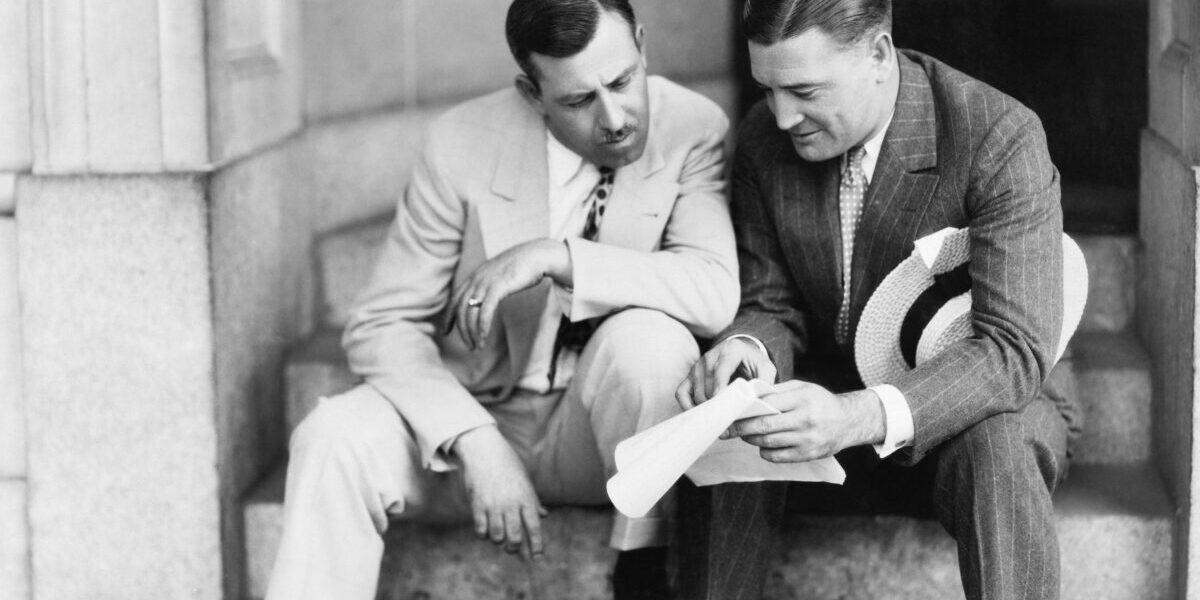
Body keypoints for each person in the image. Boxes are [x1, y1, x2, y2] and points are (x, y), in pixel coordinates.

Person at [264, 1, 737, 598]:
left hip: (605, 435)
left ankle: (646, 570)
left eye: (622, 80)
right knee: (330, 435)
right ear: (532, 93)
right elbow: (383, 322)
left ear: (642, 45)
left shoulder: (692, 126)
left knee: (653, 342)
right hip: (475, 415)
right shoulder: (461, 142)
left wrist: (557, 256)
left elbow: (712, 288)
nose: (615, 117)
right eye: (577, 100)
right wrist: (474, 439)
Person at [674, 1, 1078, 599]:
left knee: (1001, 443)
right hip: (825, 402)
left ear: (879, 55)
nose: (782, 116)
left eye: (804, 90)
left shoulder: (997, 134)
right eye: (768, 88)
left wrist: (858, 415)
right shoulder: (764, 138)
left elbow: (1011, 350)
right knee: (734, 417)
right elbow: (771, 300)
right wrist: (747, 346)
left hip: (973, 408)